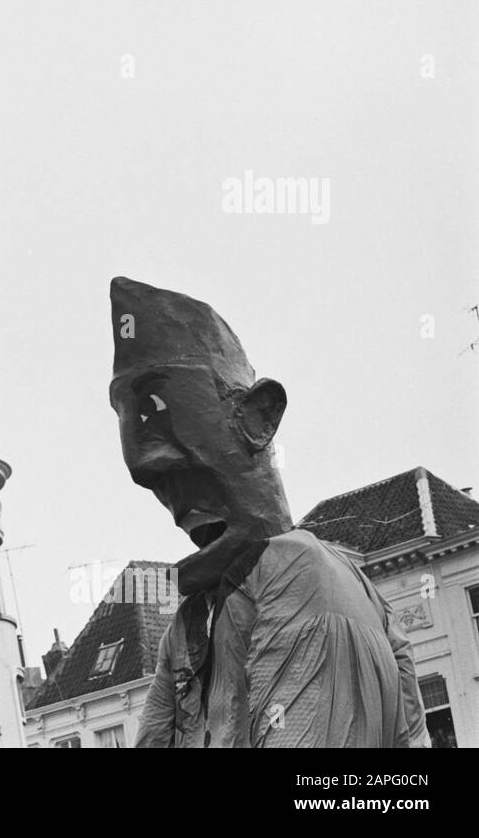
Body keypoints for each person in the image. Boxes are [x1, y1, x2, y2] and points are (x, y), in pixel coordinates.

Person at [108, 277, 428, 748]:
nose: (174, 505)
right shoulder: (194, 617)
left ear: (259, 417)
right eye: (161, 485)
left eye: (185, 473)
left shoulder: (299, 573)